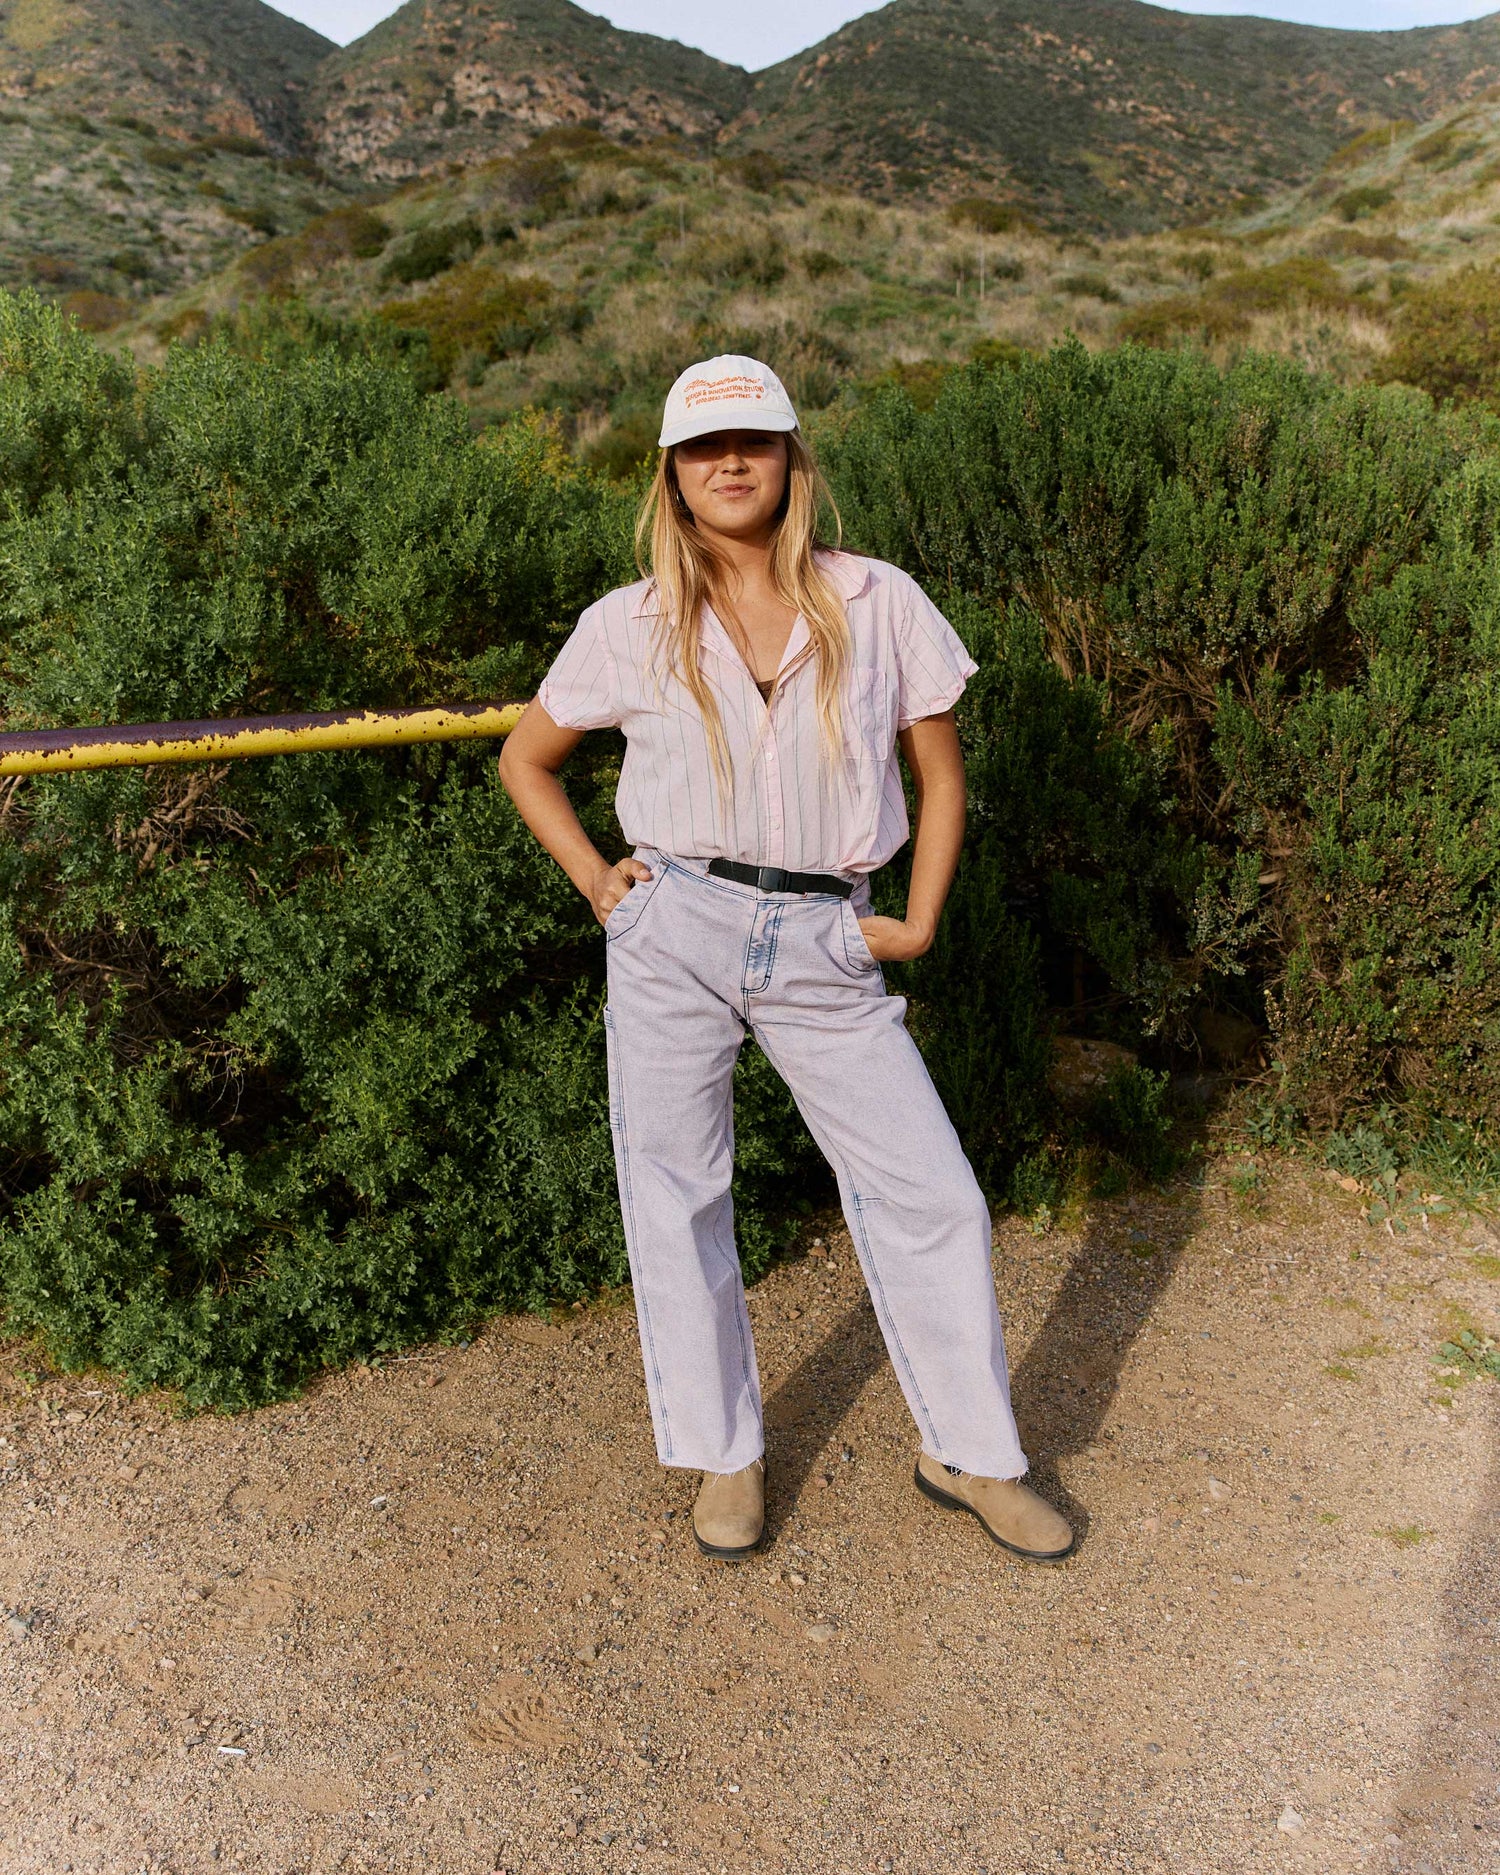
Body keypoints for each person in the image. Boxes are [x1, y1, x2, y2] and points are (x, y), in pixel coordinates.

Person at [499, 356, 1073, 1565]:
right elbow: (526, 760)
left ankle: (971, 1452)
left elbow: (941, 774)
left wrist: (916, 922)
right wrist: (600, 883)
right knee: (676, 1193)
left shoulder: (878, 599)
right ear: (671, 473)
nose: (731, 462)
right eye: (704, 448)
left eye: (753, 440)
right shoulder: (626, 622)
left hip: (826, 934)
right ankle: (726, 1452)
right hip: (675, 928)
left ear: (790, 457)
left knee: (932, 1190)